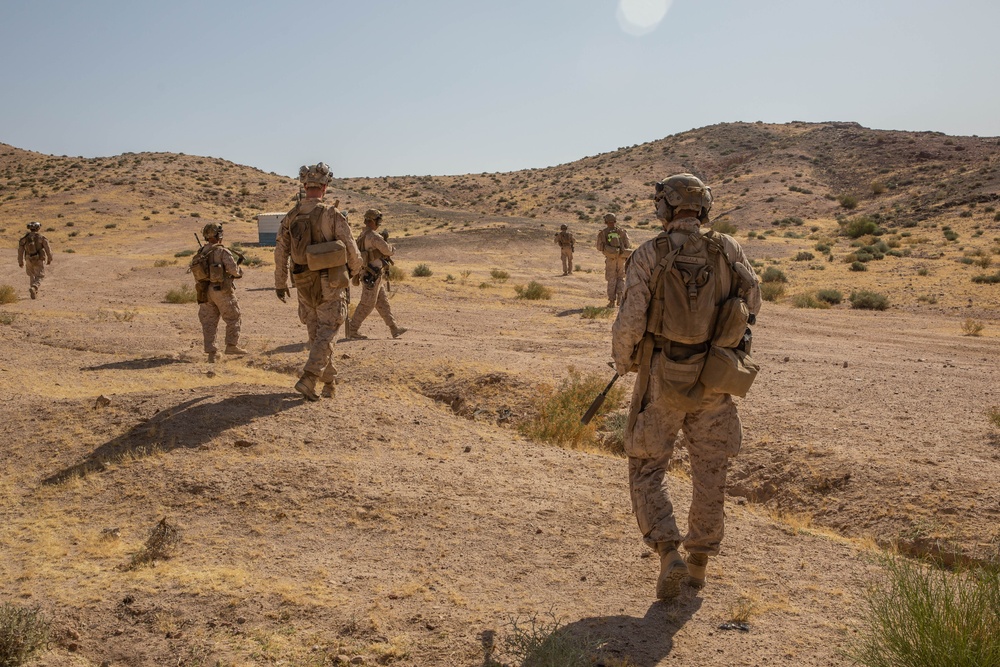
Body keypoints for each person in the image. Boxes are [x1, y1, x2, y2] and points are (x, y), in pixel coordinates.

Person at [611, 173, 761, 600]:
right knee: (711, 472)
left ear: (664, 208)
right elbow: (753, 303)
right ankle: (698, 564)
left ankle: (667, 553)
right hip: (714, 380)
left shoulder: (648, 254)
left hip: (662, 380)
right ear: (704, 207)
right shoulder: (728, 249)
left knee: (646, 467)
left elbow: (630, 322)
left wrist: (624, 362)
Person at [274, 162, 363, 401]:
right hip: (330, 282)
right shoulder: (332, 214)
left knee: (317, 334)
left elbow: (281, 252)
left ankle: (329, 383)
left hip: (302, 281)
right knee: (328, 330)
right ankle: (310, 377)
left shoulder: (291, 216)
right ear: (324, 187)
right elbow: (353, 252)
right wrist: (354, 272)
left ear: (305, 186)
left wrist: (280, 283)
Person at [190, 223, 247, 363]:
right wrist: (239, 272)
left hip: (204, 291)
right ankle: (231, 345)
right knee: (233, 316)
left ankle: (212, 353)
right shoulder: (222, 251)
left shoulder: (201, 252)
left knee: (209, 322)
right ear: (218, 235)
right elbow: (234, 271)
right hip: (221, 290)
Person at [348, 209, 407, 340]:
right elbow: (387, 250)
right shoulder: (373, 236)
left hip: (371, 274)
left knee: (383, 303)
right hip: (372, 275)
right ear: (374, 221)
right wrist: (392, 248)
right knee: (367, 304)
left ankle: (394, 328)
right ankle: (352, 329)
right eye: (378, 221)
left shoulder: (363, 235)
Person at [596, 213, 630, 307]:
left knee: (611, 279)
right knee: (620, 278)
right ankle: (620, 298)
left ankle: (611, 302)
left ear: (606, 221)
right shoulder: (622, 231)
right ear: (615, 220)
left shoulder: (603, 233)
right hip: (621, 259)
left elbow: (599, 247)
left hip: (611, 258)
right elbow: (627, 244)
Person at [17, 221, 52, 299]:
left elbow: (20, 251)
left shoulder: (24, 239)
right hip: (39, 259)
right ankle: (34, 287)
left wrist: (20, 261)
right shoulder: (42, 238)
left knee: (31, 275)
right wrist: (49, 259)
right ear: (38, 228)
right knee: (40, 275)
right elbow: (47, 249)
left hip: (28, 259)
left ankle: (33, 292)